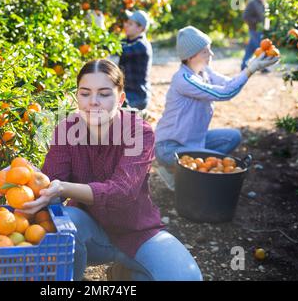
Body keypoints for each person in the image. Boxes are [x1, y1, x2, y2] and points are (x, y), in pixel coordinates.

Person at [17, 59, 202, 281]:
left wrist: (62, 188)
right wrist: (26, 176)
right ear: (77, 96)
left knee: (187, 278)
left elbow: (122, 192)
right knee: (66, 223)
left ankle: (124, 274)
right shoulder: (67, 128)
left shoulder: (139, 132)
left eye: (104, 94)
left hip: (137, 232)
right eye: (85, 93)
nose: (93, 102)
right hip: (89, 230)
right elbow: (51, 180)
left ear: (121, 98)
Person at [154, 26, 279, 191]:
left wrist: (252, 66)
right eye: (206, 51)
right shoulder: (184, 80)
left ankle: (186, 170)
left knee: (232, 137)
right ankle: (172, 171)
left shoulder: (204, 72)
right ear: (191, 56)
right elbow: (225, 94)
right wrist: (250, 69)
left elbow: (228, 84)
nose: (211, 54)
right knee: (204, 162)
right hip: (169, 147)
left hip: (192, 142)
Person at [88, 10, 153, 111]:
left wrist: (100, 27)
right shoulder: (126, 41)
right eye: (126, 22)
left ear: (141, 28)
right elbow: (107, 46)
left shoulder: (141, 46)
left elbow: (115, 49)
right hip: (125, 92)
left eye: (130, 24)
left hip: (137, 96)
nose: (126, 25)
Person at [241, 0, 269, 71]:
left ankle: (243, 65)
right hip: (254, 30)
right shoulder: (253, 2)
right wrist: (256, 22)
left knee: (251, 48)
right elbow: (245, 16)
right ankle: (262, 67)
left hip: (260, 30)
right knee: (260, 48)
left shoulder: (263, 3)